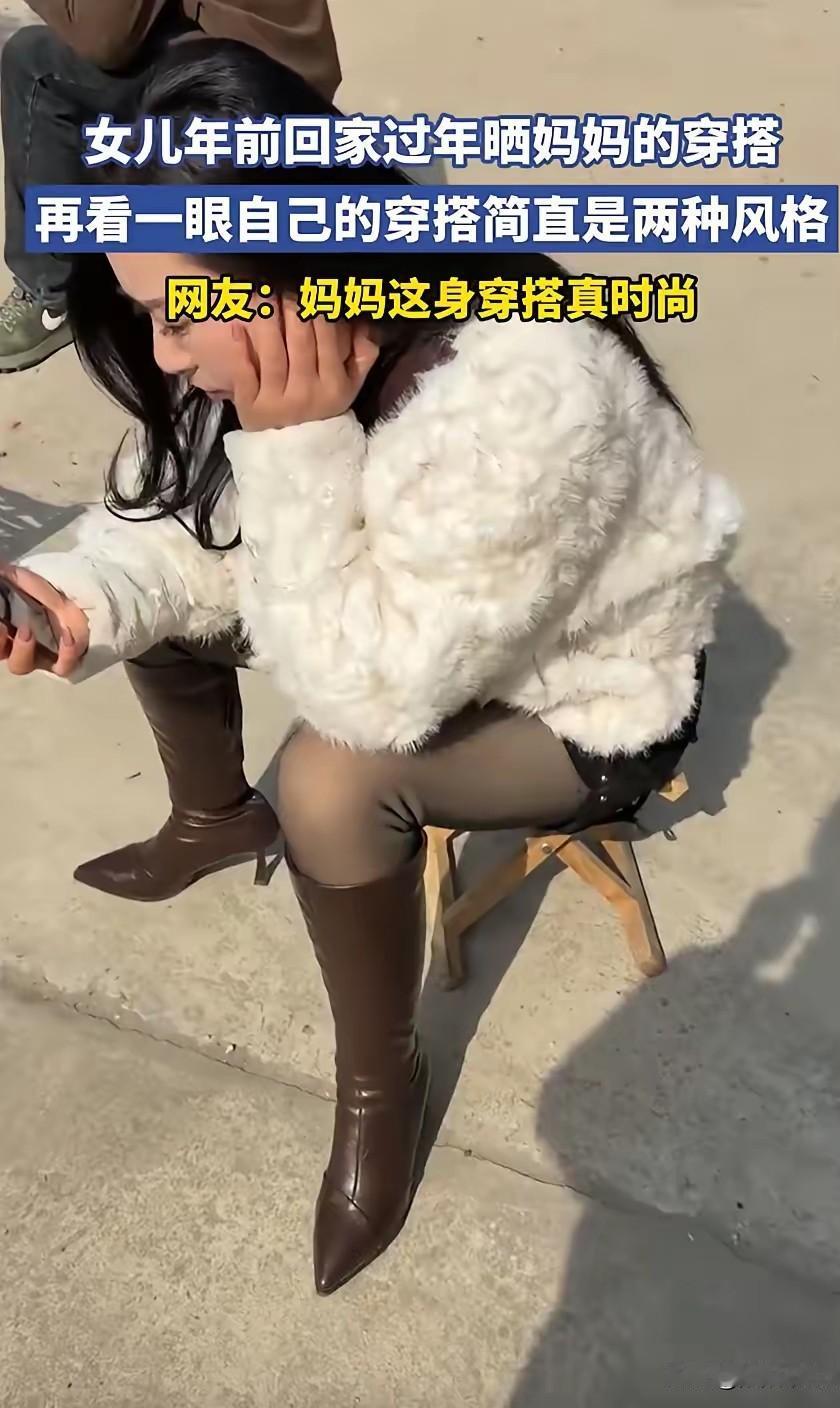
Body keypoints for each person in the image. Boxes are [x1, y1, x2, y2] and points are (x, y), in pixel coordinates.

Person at [0, 40, 741, 1294]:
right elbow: (185, 511)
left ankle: (378, 1083)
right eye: (143, 308)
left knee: (332, 781)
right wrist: (74, 594)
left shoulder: (520, 402)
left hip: (583, 695)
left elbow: (371, 696)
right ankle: (209, 814)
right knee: (173, 592)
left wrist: (293, 443)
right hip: (423, 620)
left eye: (180, 313)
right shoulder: (309, 308)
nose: (164, 352)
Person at [0, 0, 340, 371]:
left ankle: (50, 293)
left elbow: (104, 39)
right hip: (293, 67)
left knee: (33, 61)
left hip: (246, 92)